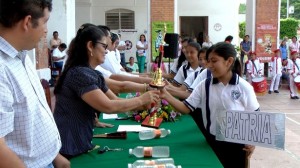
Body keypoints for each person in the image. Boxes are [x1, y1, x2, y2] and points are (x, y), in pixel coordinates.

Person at [53, 24, 159, 159]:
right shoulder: (79, 74)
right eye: (103, 46)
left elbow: (115, 99)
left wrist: (142, 105)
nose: (107, 51)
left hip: (80, 142)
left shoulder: (91, 73)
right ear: (90, 46)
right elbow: (108, 106)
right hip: (70, 146)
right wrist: (141, 99)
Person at [160, 42, 258, 168]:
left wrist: (252, 142)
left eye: (214, 61)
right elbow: (185, 108)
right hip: (212, 141)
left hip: (237, 145)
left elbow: (255, 117)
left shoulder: (244, 87)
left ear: (229, 61)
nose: (209, 65)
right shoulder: (204, 85)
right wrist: (165, 95)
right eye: (208, 61)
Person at [0, 0, 70, 167]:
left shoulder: (22, 57)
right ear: (27, 22)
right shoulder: (2, 68)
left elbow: (33, 117)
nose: (46, 29)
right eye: (45, 22)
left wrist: (54, 156)